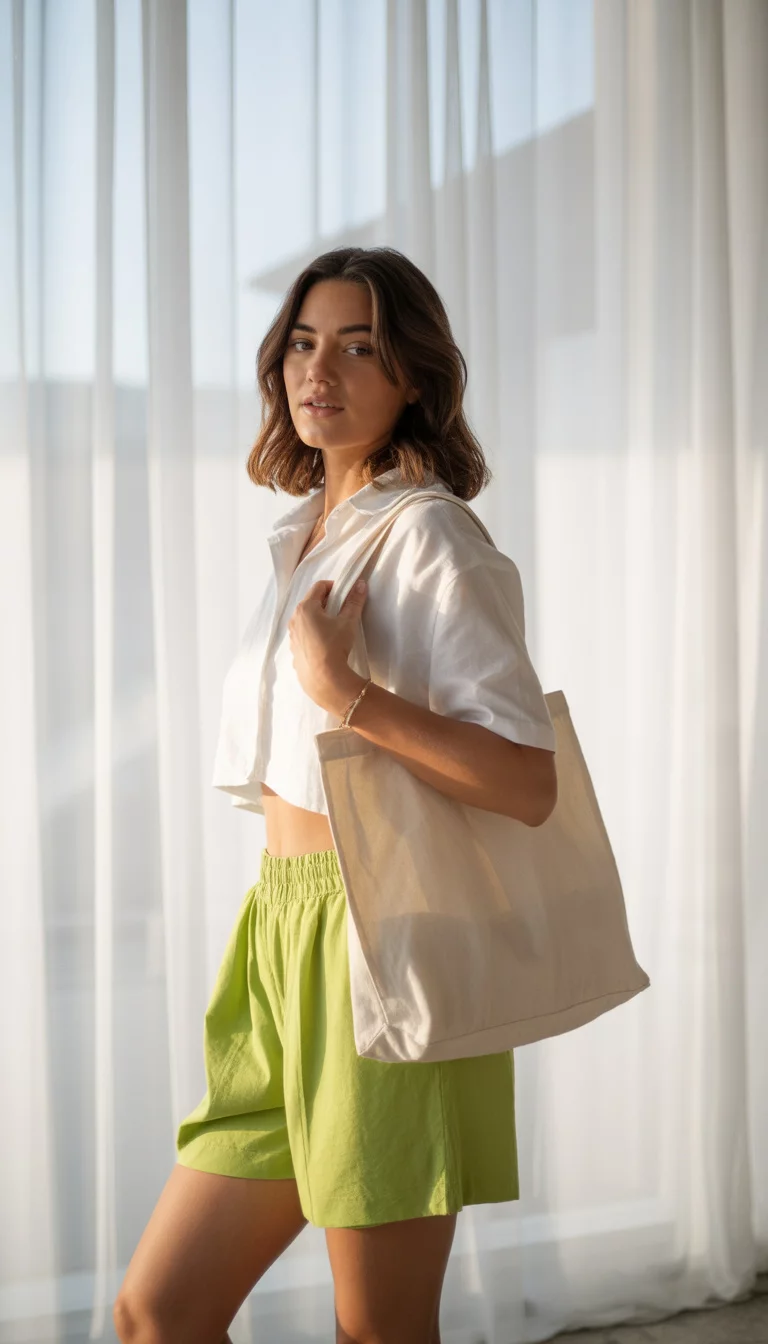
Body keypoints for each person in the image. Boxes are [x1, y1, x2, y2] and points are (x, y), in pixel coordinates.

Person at [113, 246, 557, 1344]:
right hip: (279, 931)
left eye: (360, 347)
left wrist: (346, 693)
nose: (323, 370)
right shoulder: (300, 533)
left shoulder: (432, 537)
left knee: (381, 1331)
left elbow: (527, 782)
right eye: (305, 343)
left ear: (413, 376)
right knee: (156, 1312)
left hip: (381, 942)